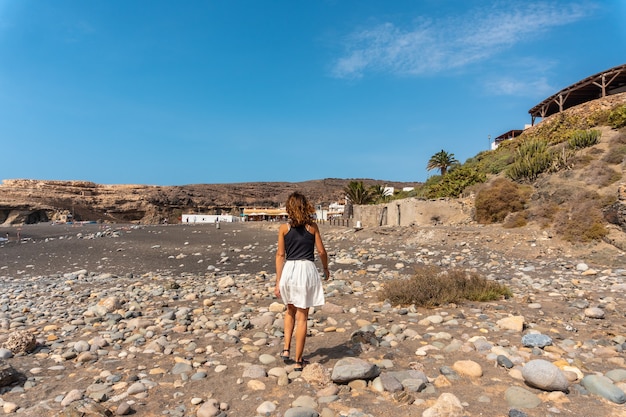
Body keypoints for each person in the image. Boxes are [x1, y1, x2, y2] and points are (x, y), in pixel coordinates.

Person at [274, 191, 329, 371]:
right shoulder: (312, 227)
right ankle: (298, 361)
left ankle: (286, 349)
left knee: (289, 310)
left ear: (289, 208)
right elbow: (321, 251)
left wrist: (277, 281)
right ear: (305, 206)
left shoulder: (284, 228)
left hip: (289, 270)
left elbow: (280, 254)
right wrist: (326, 268)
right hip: (305, 270)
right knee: (302, 316)